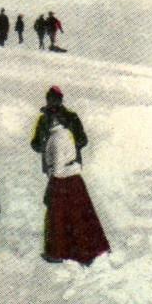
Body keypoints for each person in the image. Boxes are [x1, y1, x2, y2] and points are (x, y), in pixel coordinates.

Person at [30, 86, 110, 265]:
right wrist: (47, 148)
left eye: (55, 100)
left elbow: (82, 139)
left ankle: (67, 250)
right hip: (62, 168)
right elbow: (34, 143)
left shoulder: (70, 117)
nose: (53, 103)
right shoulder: (43, 119)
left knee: (63, 210)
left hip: (62, 169)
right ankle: (78, 248)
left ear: (60, 100)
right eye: (50, 100)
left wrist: (65, 148)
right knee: (72, 210)